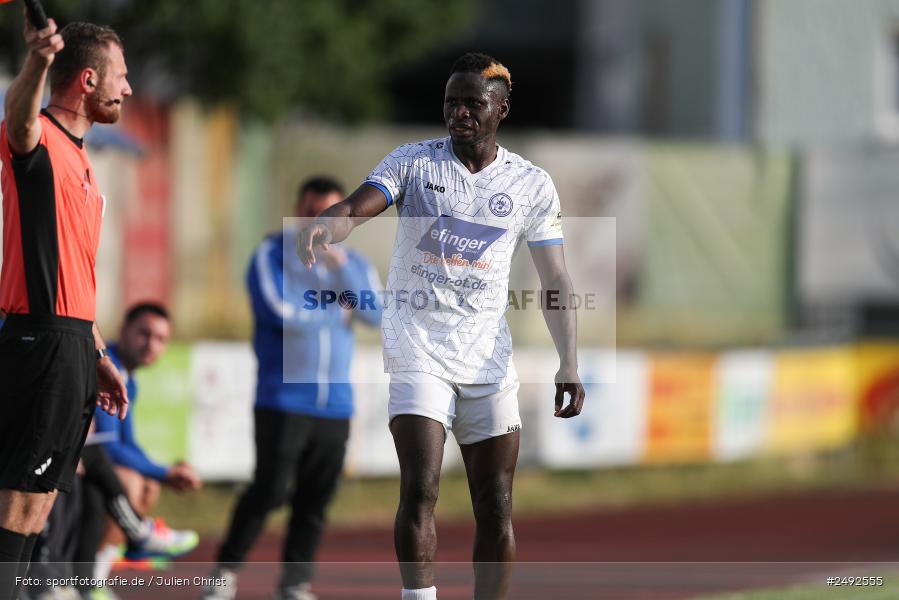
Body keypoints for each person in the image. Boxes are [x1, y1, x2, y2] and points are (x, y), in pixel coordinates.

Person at [296, 53, 587, 600]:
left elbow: (555, 278)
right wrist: (328, 224)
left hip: (487, 360)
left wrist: (568, 361)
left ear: (501, 108)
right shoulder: (413, 162)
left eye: (473, 103)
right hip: (417, 349)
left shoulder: (531, 184)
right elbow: (356, 208)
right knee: (421, 488)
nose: (460, 113)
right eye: (451, 102)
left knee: (495, 507)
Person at [0, 13, 131, 600]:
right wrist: (37, 59)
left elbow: (74, 277)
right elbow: (18, 120)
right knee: (17, 505)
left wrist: (98, 354)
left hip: (73, 343)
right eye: (120, 75)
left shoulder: (81, 159)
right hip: (41, 342)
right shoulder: (40, 140)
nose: (128, 88)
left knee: (37, 508)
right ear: (87, 79)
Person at [202, 177, 382, 600]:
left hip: (336, 404)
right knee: (269, 490)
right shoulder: (271, 254)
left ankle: (295, 584)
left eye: (330, 213)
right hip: (283, 399)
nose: (319, 220)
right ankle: (225, 571)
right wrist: (334, 313)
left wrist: (340, 267)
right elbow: (279, 310)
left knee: (315, 501)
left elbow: (376, 314)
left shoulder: (353, 263)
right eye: (311, 211)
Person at [91, 303, 201, 587]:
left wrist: (164, 472)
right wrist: (165, 472)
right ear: (124, 329)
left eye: (161, 339)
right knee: (131, 482)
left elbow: (128, 442)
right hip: (69, 464)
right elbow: (108, 447)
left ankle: (101, 573)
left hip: (87, 461)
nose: (151, 344)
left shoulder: (128, 377)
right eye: (144, 334)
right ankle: (94, 578)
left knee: (149, 483)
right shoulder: (107, 368)